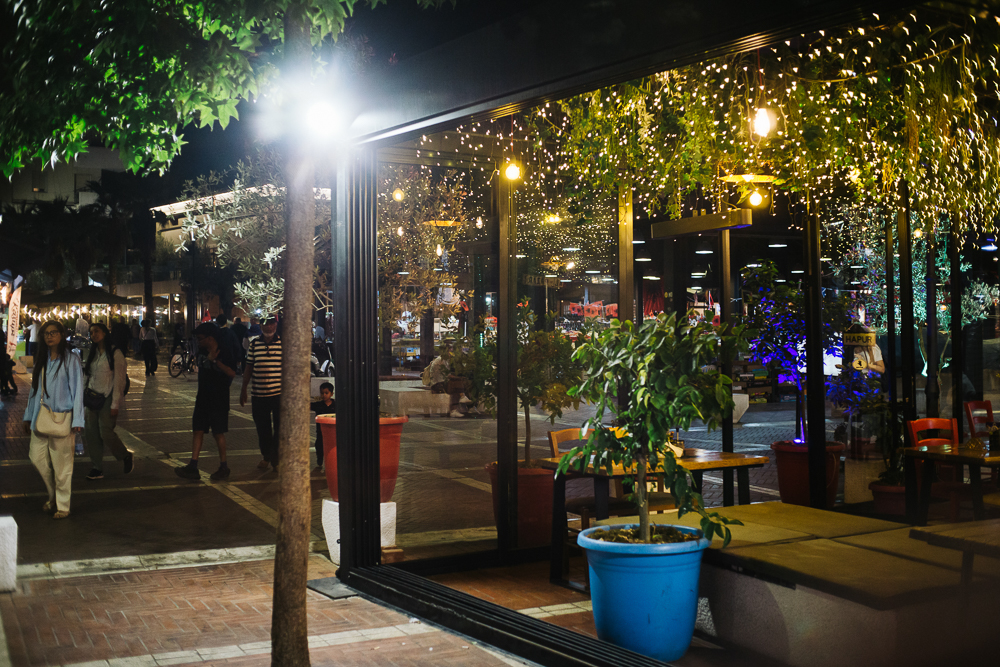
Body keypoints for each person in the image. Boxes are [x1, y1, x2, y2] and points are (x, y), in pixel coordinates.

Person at [23, 320, 84, 519]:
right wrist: (28, 416)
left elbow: (78, 391)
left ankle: (63, 506)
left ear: (61, 334)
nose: (49, 336)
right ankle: (53, 495)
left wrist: (78, 420)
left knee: (63, 465)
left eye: (53, 332)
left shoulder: (71, 359)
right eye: (46, 333)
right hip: (40, 417)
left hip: (63, 418)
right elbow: (34, 391)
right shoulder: (42, 358)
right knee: (36, 457)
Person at [175, 322, 237, 481]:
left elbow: (232, 373)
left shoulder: (224, 351)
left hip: (219, 399)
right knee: (198, 430)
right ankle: (193, 465)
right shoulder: (201, 351)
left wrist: (216, 361)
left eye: (200, 338)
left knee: (218, 432)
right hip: (202, 397)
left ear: (210, 338)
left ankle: (224, 466)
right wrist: (208, 359)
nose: (198, 341)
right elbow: (200, 364)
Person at [82, 323, 134, 480]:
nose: (94, 334)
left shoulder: (115, 353)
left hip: (107, 397)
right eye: (91, 332)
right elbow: (87, 375)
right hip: (91, 396)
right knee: (91, 433)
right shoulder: (92, 353)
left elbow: (119, 380)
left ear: (105, 332)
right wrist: (81, 394)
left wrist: (115, 403)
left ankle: (124, 455)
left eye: (97, 331)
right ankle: (97, 468)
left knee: (105, 432)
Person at [241, 314, 282, 472]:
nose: (268, 327)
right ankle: (266, 456)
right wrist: (243, 388)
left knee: (279, 428)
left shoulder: (283, 344)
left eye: (271, 323)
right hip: (258, 394)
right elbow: (249, 366)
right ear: (260, 326)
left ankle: (276, 459)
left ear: (275, 325)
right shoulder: (254, 344)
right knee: (262, 428)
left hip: (278, 395)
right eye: (265, 324)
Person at [309, 382, 336, 471]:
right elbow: (308, 406)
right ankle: (319, 461)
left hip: (332, 431)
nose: (324, 395)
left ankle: (331, 462)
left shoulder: (336, 405)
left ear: (331, 394)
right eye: (322, 393)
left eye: (326, 393)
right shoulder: (318, 405)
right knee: (319, 445)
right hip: (320, 431)